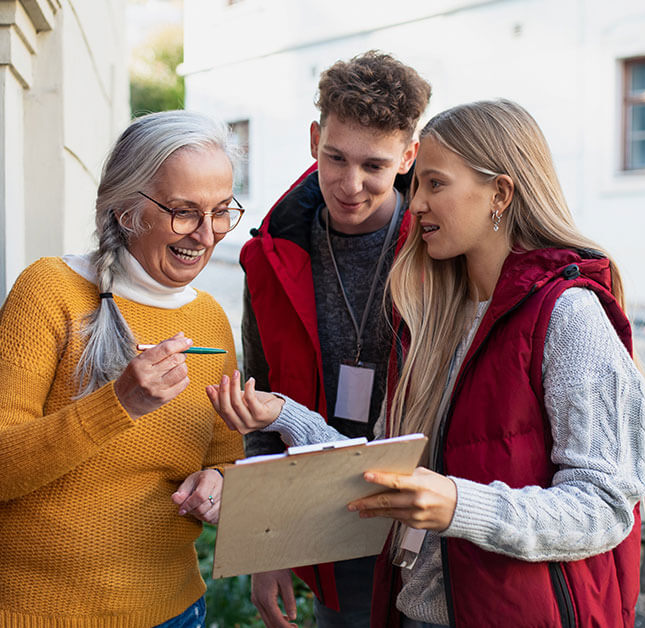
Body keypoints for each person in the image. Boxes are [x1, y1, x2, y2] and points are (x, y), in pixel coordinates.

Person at [210, 99, 645, 628]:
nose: (413, 203)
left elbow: (605, 506)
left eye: (433, 184)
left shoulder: (570, 316)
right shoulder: (435, 315)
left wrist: (458, 505)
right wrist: (284, 415)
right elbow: (378, 469)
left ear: (500, 194)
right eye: (416, 185)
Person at [0, 110, 246, 628]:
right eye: (184, 212)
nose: (207, 236)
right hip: (39, 614)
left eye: (222, 211)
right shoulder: (50, 291)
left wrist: (220, 483)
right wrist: (120, 403)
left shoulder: (210, 319)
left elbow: (224, 458)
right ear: (125, 211)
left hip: (173, 610)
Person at [238, 50, 431, 627]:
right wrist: (267, 545)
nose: (350, 185)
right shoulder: (269, 257)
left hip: (436, 522)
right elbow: (262, 402)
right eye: (335, 158)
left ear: (408, 156)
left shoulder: (444, 245)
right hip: (326, 521)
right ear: (315, 137)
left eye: (374, 165)